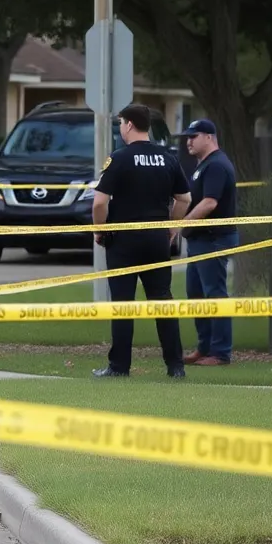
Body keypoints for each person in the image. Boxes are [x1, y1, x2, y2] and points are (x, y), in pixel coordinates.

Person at [90, 103, 193, 379]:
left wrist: (100, 230)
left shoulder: (119, 158)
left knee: (124, 303)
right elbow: (184, 198)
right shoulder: (168, 158)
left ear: (129, 125)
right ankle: (176, 366)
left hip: (123, 240)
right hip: (157, 240)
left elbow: (100, 202)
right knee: (162, 300)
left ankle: (119, 367)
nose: (121, 128)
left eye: (122, 123)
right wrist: (171, 227)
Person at [178, 118, 239, 366]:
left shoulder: (216, 165)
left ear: (209, 138)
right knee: (195, 292)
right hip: (200, 240)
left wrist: (184, 223)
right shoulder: (201, 165)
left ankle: (220, 352)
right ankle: (204, 348)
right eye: (188, 137)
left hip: (213, 239)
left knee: (214, 293)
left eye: (194, 136)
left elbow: (209, 203)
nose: (189, 141)